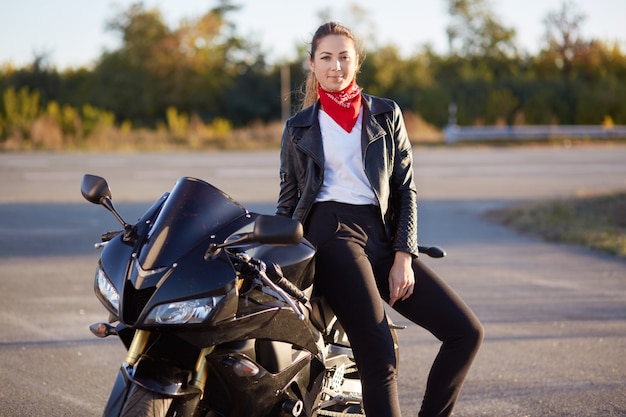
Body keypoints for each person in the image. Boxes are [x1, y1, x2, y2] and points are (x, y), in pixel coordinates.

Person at [276, 21, 483, 417]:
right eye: (326, 58)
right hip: (330, 233)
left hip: (382, 235)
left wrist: (403, 255)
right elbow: (288, 202)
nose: (335, 66)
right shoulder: (298, 128)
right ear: (312, 64)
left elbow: (406, 189)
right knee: (378, 354)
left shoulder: (385, 114)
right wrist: (274, 253)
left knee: (466, 333)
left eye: (344, 57)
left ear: (356, 63)